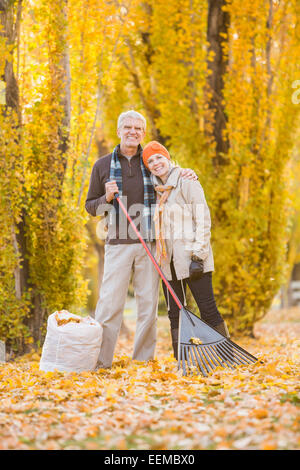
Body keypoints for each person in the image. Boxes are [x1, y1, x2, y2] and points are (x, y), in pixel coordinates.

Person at [85, 110, 197, 369]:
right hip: (118, 244)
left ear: (143, 133)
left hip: (151, 244)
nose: (132, 131)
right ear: (119, 131)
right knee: (109, 306)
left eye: (138, 128)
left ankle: (143, 363)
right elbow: (91, 207)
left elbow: (174, 175)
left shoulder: (151, 161)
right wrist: (107, 199)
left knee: (148, 307)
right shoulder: (102, 166)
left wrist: (189, 173)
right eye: (127, 127)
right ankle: (101, 362)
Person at [142, 140, 230, 360]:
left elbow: (203, 219)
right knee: (175, 314)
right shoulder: (153, 190)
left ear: (168, 157)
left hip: (192, 259)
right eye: (150, 161)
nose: (155, 163)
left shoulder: (186, 181)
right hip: (167, 263)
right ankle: (184, 360)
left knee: (207, 309)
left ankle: (227, 356)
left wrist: (198, 256)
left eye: (159, 157)